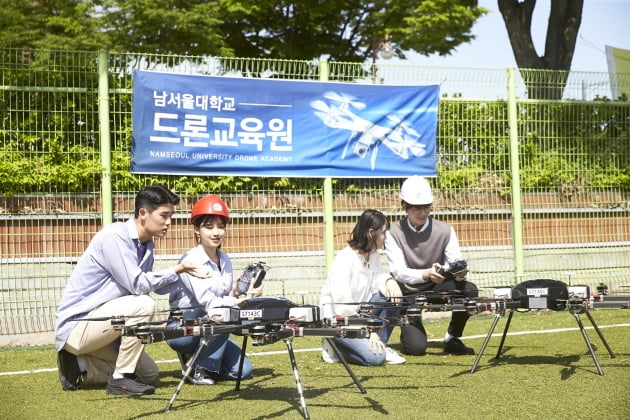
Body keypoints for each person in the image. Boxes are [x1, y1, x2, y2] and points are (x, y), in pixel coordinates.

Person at [55, 185, 210, 396]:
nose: (169, 222)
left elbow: (150, 285)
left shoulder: (147, 245)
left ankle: (80, 364)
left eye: (171, 215)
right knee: (144, 304)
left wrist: (186, 277)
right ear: (143, 213)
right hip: (79, 325)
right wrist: (176, 270)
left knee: (149, 374)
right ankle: (120, 379)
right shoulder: (115, 237)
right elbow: (137, 285)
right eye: (164, 215)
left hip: (105, 326)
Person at [156, 194, 263, 385]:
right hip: (183, 330)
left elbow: (223, 298)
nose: (216, 232)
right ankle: (197, 366)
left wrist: (238, 293)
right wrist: (236, 303)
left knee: (243, 371)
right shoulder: (190, 261)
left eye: (221, 227)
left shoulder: (225, 260)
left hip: (211, 327)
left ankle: (199, 357)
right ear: (197, 230)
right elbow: (211, 304)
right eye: (209, 226)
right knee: (222, 316)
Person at [385, 176, 479, 356]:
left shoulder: (445, 230)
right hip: (409, 291)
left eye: (426, 206)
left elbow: (455, 263)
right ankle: (408, 324)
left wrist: (459, 274)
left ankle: (452, 337)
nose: (422, 212)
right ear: (404, 205)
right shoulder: (392, 232)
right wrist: (427, 273)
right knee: (416, 349)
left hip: (438, 285)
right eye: (416, 208)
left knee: (469, 290)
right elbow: (398, 272)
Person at [319, 209, 406, 366]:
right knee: (375, 358)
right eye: (383, 233)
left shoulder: (372, 254)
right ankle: (334, 342)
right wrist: (370, 329)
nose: (385, 237)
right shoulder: (344, 261)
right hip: (339, 320)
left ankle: (380, 345)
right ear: (371, 233)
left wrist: (390, 281)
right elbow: (342, 309)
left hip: (361, 313)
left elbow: (379, 278)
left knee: (393, 295)